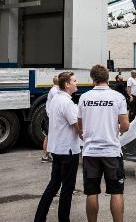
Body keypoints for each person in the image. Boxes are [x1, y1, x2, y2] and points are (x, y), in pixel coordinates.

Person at [78, 64, 130, 222]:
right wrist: (115, 129)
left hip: (90, 152)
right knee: (116, 192)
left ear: (93, 79)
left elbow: (80, 126)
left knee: (92, 192)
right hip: (111, 152)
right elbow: (126, 126)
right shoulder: (118, 97)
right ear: (107, 77)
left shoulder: (84, 98)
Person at [34, 71, 81, 222]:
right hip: (68, 150)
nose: (76, 83)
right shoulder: (67, 103)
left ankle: (40, 218)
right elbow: (77, 127)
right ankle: (63, 219)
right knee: (67, 189)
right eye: (74, 81)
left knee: (53, 185)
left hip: (57, 149)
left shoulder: (55, 99)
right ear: (67, 84)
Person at [41, 75, 60, 163]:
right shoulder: (55, 91)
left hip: (49, 115)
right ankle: (45, 156)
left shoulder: (53, 90)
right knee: (49, 136)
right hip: (50, 116)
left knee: (49, 136)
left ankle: (46, 155)